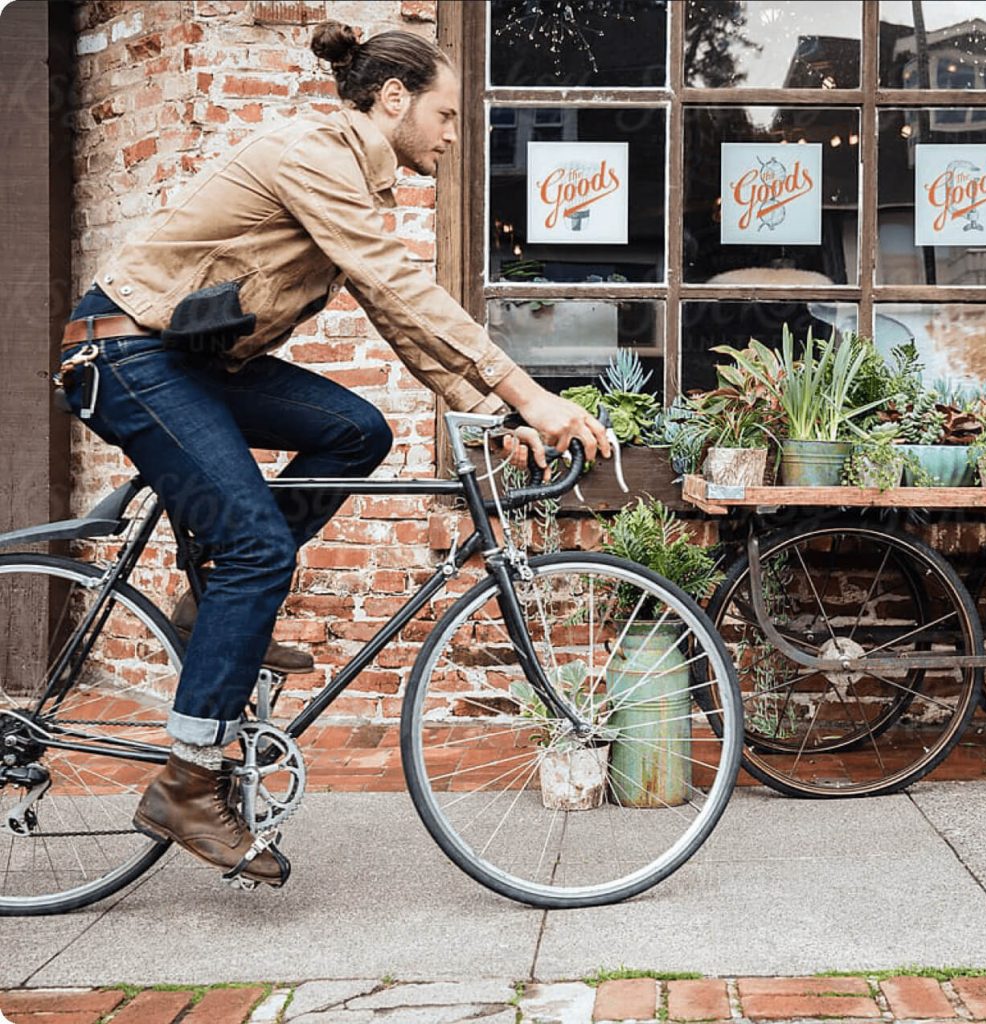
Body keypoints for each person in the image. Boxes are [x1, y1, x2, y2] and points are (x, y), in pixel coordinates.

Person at [57, 21, 610, 887]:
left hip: (185, 362)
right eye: (448, 113)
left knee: (358, 430)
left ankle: (211, 603)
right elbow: (400, 284)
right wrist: (531, 395)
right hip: (127, 356)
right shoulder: (313, 154)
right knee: (257, 548)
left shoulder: (350, 176)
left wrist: (487, 410)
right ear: (394, 98)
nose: (455, 134)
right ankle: (188, 782)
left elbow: (397, 317)